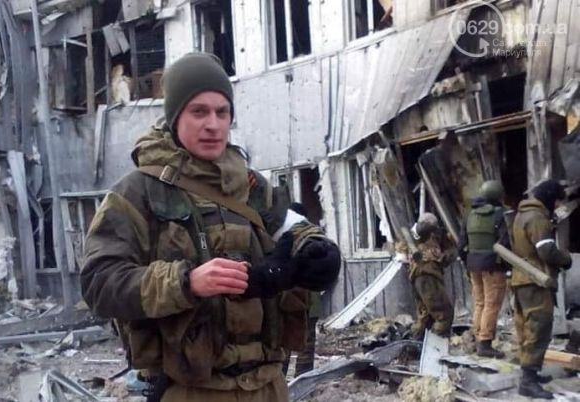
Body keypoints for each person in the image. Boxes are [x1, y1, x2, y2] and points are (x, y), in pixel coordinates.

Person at [80, 52, 342, 402]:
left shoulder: (252, 187)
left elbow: (296, 232)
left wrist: (317, 254)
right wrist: (186, 282)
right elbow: (98, 282)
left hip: (267, 387)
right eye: (199, 111)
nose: (213, 124)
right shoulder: (137, 193)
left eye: (222, 112)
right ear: (175, 117)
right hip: (189, 390)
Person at [511, 179, 572, 399]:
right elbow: (546, 251)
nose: (557, 206)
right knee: (539, 327)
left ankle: (531, 374)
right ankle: (528, 381)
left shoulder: (521, 214)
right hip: (535, 280)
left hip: (522, 277)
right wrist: (565, 259)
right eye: (557, 201)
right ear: (550, 198)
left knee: (527, 327)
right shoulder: (537, 218)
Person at [460, 180, 509, 358]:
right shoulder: (500, 215)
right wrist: (507, 266)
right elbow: (505, 243)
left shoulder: (469, 214)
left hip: (473, 264)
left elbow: (461, 244)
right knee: (491, 304)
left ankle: (477, 338)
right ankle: (485, 343)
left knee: (480, 303)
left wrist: (468, 262)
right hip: (493, 266)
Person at [282, 203, 321, 378]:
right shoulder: (314, 237)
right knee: (305, 343)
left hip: (290, 299)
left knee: (285, 342)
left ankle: (286, 380)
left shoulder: (281, 236)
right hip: (304, 299)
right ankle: (303, 381)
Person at [406, 213, 456, 340]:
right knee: (444, 314)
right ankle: (437, 344)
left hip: (417, 276)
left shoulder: (413, 235)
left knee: (425, 316)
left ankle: (416, 343)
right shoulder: (430, 235)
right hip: (428, 276)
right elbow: (446, 256)